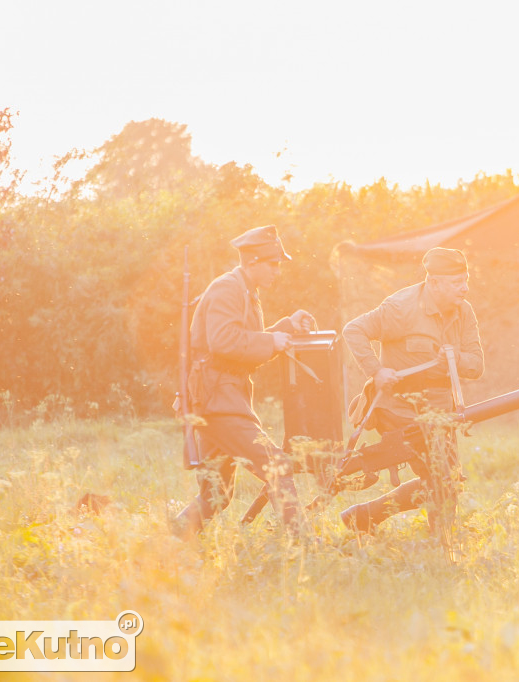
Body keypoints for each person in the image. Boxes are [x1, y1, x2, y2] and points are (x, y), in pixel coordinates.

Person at [171, 224, 316, 539]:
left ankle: (166, 542)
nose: (277, 270)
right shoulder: (228, 288)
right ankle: (304, 546)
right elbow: (223, 341)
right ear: (252, 261)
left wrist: (287, 328)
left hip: (220, 394)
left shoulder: (246, 290)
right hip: (217, 398)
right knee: (277, 465)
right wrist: (273, 340)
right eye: (273, 263)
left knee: (216, 494)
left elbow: (245, 344)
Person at [340, 247, 484, 535]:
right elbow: (353, 330)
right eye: (457, 282)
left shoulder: (464, 311)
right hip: (400, 407)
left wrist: (455, 356)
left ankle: (366, 516)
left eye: (465, 280)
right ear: (433, 282)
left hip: (440, 408)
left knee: (447, 480)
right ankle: (441, 545)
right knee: (440, 477)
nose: (465, 288)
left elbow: (477, 365)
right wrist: (376, 371)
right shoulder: (400, 308)